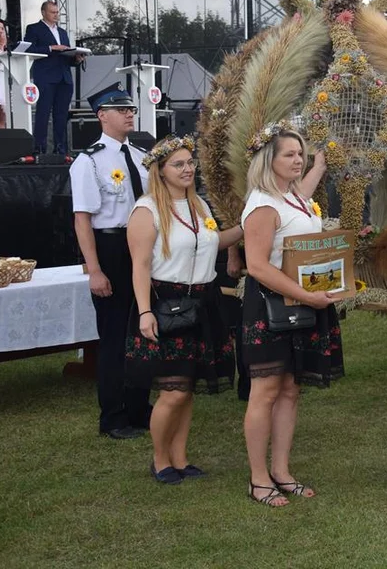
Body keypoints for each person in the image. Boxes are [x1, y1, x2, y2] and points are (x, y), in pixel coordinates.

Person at [126, 136, 243, 484]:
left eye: (190, 162)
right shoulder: (146, 211)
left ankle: (180, 457)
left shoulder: (200, 207)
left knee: (187, 388)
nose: (188, 168)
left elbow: (212, 242)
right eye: (178, 164)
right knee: (173, 390)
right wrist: (146, 312)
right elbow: (140, 265)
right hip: (166, 304)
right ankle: (160, 460)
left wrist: (244, 226)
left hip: (204, 302)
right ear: (160, 171)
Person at [240, 124, 338, 507]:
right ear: (269, 160)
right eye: (289, 155)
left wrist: (319, 163)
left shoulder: (293, 196)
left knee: (290, 390)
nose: (297, 160)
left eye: (300, 154)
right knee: (264, 392)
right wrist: (306, 296)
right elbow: (257, 266)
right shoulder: (263, 204)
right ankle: (258, 478)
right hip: (270, 306)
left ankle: (281, 470)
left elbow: (304, 194)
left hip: (300, 304)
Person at [70, 85, 153, 439]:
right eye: (120, 109)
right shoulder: (89, 160)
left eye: (131, 109)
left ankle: (138, 406)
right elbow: (82, 219)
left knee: (142, 330)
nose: (129, 114)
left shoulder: (140, 156)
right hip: (111, 248)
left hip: (141, 245)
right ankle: (114, 416)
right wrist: (95, 269)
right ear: (101, 116)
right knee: (116, 335)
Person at [23, 1, 83, 155]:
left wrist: (75, 59)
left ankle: (60, 149)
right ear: (43, 12)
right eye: (53, 12)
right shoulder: (34, 29)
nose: (56, 15)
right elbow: (28, 49)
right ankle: (40, 149)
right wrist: (51, 48)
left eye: (57, 12)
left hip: (64, 78)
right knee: (43, 113)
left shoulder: (62, 32)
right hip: (46, 77)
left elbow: (65, 57)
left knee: (61, 115)